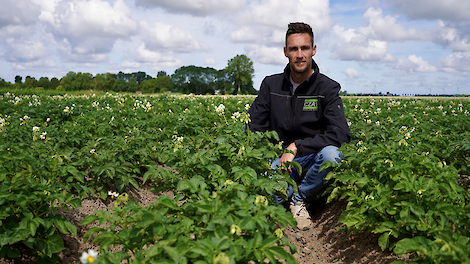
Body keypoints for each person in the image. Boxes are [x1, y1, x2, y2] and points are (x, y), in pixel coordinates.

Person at [247, 22, 351, 228]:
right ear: (286, 52)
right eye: (294, 49)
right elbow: (252, 128)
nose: (300, 54)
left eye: (304, 48)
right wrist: (267, 158)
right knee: (267, 193)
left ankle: (297, 198)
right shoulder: (271, 85)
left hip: (313, 159)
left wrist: (296, 147)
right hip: (280, 161)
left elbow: (341, 134)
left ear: (313, 50)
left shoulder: (327, 88)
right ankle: (286, 196)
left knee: (333, 156)